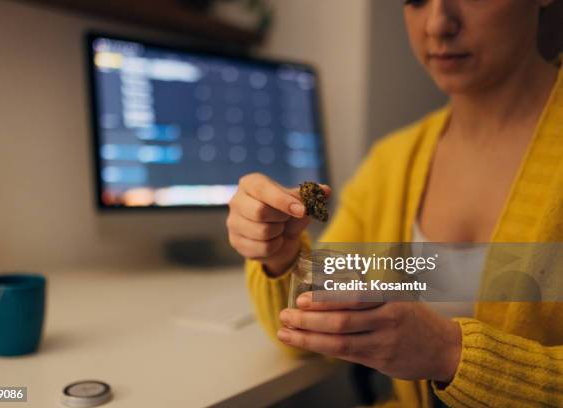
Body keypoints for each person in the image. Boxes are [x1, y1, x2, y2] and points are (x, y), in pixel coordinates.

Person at [226, 0, 563, 406]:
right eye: (416, 0)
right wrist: (280, 257)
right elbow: (309, 336)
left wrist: (448, 353)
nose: (438, 24)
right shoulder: (391, 163)